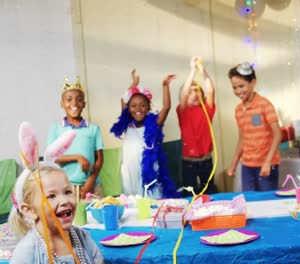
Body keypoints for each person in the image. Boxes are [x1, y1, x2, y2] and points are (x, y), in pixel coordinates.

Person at [9, 123, 103, 263]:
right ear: (29, 210)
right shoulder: (26, 253)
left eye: (67, 192)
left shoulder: (84, 238)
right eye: (51, 196)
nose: (64, 200)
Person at [110, 69, 179, 198]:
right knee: (133, 204)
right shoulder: (127, 125)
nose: (138, 109)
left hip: (149, 172)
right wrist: (134, 83)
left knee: (152, 201)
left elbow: (166, 107)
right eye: (133, 106)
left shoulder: (154, 124)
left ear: (149, 107)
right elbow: (123, 100)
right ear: (128, 109)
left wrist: (165, 86)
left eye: (142, 105)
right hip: (130, 172)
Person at [227, 62, 282, 191]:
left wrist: (268, 162)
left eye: (241, 86)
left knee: (267, 203)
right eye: (234, 87)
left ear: (253, 82)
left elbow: (278, 134)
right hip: (247, 166)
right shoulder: (238, 110)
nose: (238, 91)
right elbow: (242, 139)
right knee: (249, 202)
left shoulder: (264, 105)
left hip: (267, 165)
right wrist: (234, 163)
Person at [47, 77, 104, 200]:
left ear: (84, 104)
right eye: (68, 99)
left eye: (79, 99)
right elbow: (52, 157)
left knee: (95, 217)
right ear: (62, 104)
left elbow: (99, 159)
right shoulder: (56, 129)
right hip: (65, 188)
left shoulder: (93, 129)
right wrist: (77, 157)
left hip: (91, 185)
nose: (74, 103)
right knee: (71, 218)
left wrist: (91, 180)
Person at [176, 56, 217, 196]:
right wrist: (192, 70)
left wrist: (202, 70)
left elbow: (211, 91)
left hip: (206, 161)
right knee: (190, 194)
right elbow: (184, 93)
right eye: (191, 91)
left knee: (210, 192)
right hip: (189, 163)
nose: (194, 93)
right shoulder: (183, 111)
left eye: (198, 90)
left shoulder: (207, 109)